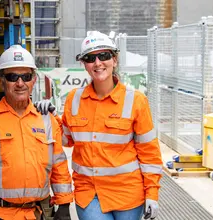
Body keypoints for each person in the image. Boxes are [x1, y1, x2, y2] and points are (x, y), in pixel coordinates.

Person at [35, 31, 163, 220]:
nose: (97, 63)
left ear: (115, 60)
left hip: (127, 194)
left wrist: (152, 193)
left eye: (104, 56)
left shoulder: (136, 100)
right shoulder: (74, 99)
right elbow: (67, 139)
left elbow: (149, 153)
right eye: (90, 58)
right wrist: (49, 117)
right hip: (89, 194)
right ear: (84, 64)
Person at [0, 44, 73, 220]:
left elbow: (59, 164)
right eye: (13, 77)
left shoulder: (47, 119)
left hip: (36, 213)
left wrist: (65, 205)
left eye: (26, 76)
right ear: (1, 81)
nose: (20, 83)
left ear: (34, 80)